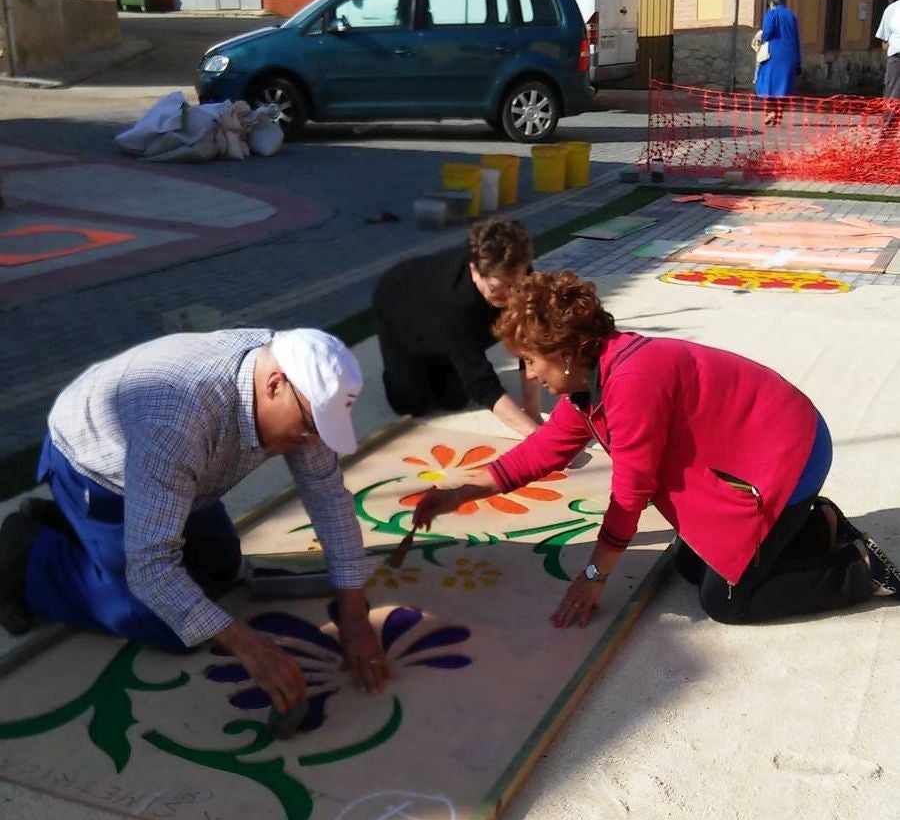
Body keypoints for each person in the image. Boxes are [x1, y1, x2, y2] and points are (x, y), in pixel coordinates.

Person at [412, 271, 900, 627]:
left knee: (728, 603)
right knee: (690, 563)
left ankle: (859, 570)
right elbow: (541, 452)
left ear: (565, 353)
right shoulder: (589, 381)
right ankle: (818, 526)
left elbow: (630, 493)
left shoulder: (632, 382)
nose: (532, 376)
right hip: (757, 446)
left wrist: (594, 573)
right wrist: (459, 493)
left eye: (531, 362)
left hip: (788, 452)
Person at [0, 329, 390, 712]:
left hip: (175, 471)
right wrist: (250, 648)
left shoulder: (293, 375)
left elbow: (327, 496)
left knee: (219, 569)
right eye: (308, 426)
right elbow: (151, 568)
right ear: (275, 385)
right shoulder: (177, 422)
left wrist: (354, 616)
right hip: (98, 470)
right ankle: (24, 553)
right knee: (167, 622)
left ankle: (67, 524)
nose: (311, 443)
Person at [373, 217, 542, 438]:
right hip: (402, 307)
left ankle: (447, 360)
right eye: (497, 288)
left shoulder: (519, 270)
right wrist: (533, 433)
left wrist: (532, 412)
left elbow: (529, 343)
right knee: (412, 403)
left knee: (455, 399)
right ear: (474, 270)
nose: (510, 296)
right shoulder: (455, 300)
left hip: (456, 319)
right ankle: (418, 365)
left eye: (515, 286)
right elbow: (480, 380)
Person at [755, 0, 801, 126]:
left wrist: (760, 37)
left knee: (766, 84)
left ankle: (770, 112)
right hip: (791, 56)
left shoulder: (772, 13)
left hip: (773, 55)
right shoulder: (792, 16)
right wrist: (798, 62)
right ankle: (778, 116)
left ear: (771, 2)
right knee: (783, 87)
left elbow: (767, 32)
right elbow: (796, 38)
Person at [875, 0, 900, 104]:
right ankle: (890, 122)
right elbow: (884, 40)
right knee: (892, 95)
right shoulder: (891, 10)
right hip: (896, 59)